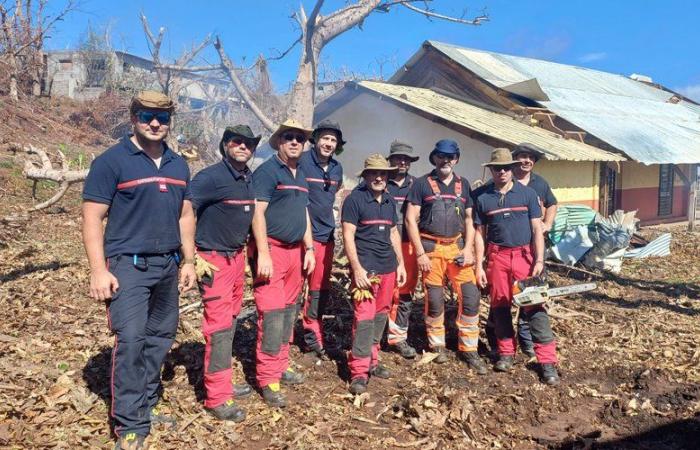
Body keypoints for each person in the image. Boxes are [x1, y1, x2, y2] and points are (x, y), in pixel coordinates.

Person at [82, 91, 196, 450]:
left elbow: (186, 215)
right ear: (134, 117)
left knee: (159, 339)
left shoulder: (179, 165)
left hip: (168, 266)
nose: (155, 123)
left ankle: (143, 407)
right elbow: (91, 217)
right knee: (131, 342)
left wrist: (189, 260)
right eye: (147, 115)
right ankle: (129, 424)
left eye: (162, 117)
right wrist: (98, 270)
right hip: (127, 266)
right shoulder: (112, 161)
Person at [190, 125, 261, 422]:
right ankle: (216, 397)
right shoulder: (209, 178)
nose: (243, 146)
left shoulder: (247, 178)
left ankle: (223, 380)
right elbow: (184, 213)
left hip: (236, 259)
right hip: (212, 261)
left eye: (248, 143)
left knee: (229, 322)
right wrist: (190, 256)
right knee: (218, 327)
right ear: (225, 145)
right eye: (237, 142)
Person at [473, 148, 559, 385]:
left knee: (535, 307)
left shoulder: (528, 194)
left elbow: (536, 229)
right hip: (497, 257)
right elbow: (479, 234)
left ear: (512, 169)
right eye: (496, 168)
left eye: (505, 167)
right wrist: (480, 265)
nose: (501, 172)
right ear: (490, 170)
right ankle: (506, 353)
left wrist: (539, 260)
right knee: (500, 307)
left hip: (523, 256)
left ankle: (547, 362)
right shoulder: (483, 198)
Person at [405, 139, 487, 374]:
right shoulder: (421, 184)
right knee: (435, 299)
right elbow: (411, 219)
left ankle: (469, 348)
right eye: (441, 156)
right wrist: (420, 252)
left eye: (450, 156)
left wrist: (468, 249)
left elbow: (470, 220)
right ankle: (437, 345)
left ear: (456, 159)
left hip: (458, 249)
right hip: (431, 249)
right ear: (434, 158)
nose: (446, 160)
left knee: (470, 297)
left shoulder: (464, 185)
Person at [251, 119, 316, 408]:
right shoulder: (267, 172)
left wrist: (310, 248)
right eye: (288, 137)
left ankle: (281, 364)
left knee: (289, 312)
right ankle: (267, 378)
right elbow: (257, 213)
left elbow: (303, 214)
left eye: (299, 139)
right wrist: (262, 252)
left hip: (296, 253)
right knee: (273, 315)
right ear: (278, 141)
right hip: (273, 251)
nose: (294, 142)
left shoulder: (301, 174)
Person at [341, 154, 406, 394]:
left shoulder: (389, 201)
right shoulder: (354, 200)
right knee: (364, 318)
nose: (379, 177)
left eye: (383, 173)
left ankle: (373, 360)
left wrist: (401, 264)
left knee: (380, 316)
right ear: (366, 175)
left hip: (388, 267)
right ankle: (359, 370)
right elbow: (348, 235)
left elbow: (393, 234)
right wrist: (356, 268)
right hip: (366, 271)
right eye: (374, 173)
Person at [298, 120, 345, 361]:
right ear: (315, 139)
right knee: (294, 288)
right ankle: (281, 340)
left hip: (325, 236)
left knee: (318, 290)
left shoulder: (337, 168)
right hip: (299, 236)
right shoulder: (302, 162)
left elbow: (334, 198)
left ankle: (311, 335)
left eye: (333, 140)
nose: (328, 143)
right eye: (325, 138)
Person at [385, 140, 420, 359]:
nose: (402, 162)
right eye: (398, 158)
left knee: (405, 292)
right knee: (382, 291)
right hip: (381, 245)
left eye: (406, 159)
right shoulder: (379, 181)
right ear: (391, 160)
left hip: (407, 245)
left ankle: (398, 337)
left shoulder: (416, 185)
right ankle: (377, 336)